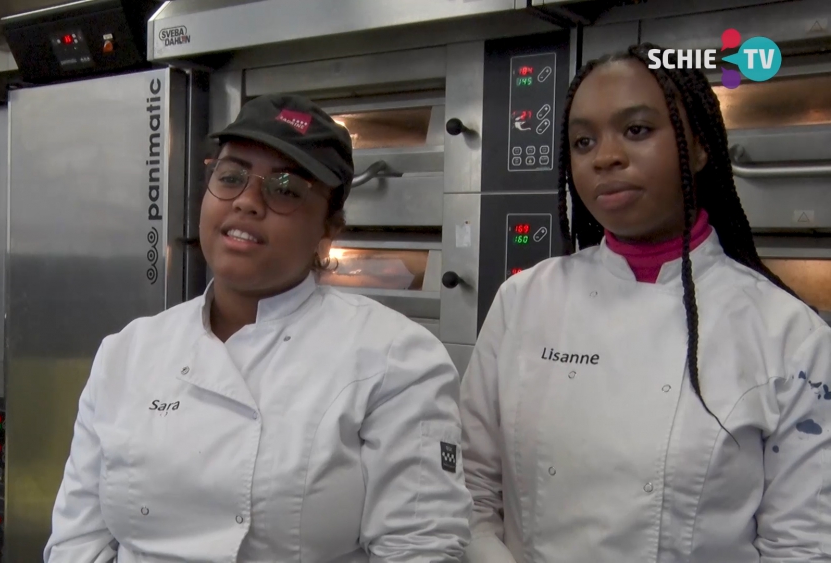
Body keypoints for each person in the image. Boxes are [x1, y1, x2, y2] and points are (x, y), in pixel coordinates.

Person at [44, 94, 472, 562]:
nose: (247, 201)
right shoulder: (128, 351)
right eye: (230, 177)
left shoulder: (397, 359)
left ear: (329, 228)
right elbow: (76, 541)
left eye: (285, 189)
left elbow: (420, 550)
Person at [460, 43, 831, 563]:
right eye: (583, 141)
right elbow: (472, 489)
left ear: (698, 146)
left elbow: (803, 546)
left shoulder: (788, 335)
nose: (605, 156)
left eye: (636, 130)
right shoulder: (523, 302)